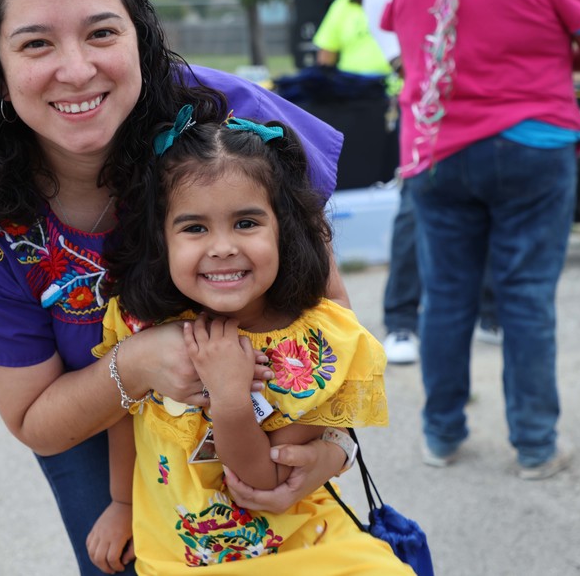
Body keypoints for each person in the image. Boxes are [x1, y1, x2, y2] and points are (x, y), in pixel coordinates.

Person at [0, 0, 355, 575]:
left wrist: (332, 446)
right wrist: (139, 362)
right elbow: (36, 418)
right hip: (93, 430)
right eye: (36, 43)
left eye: (101, 32)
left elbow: (328, 313)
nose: (76, 68)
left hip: (272, 407)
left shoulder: (230, 132)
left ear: (141, 43)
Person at [86, 113, 409, 574]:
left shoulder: (311, 344)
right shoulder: (138, 320)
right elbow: (124, 410)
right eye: (194, 228)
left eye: (246, 223)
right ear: (161, 237)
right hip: (179, 560)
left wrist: (231, 398)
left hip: (301, 546)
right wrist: (121, 503)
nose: (222, 247)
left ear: (284, 229)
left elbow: (264, 482)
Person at [382, 0, 580, 477]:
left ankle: (441, 435)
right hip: (532, 148)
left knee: (444, 297)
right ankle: (536, 444)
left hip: (438, 152)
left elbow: (410, 46)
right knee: (525, 298)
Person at [363, 0, 553, 364]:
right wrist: (402, 60)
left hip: (502, 86)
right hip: (429, 84)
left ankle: (492, 312)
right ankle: (403, 319)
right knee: (417, 201)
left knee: (499, 196)